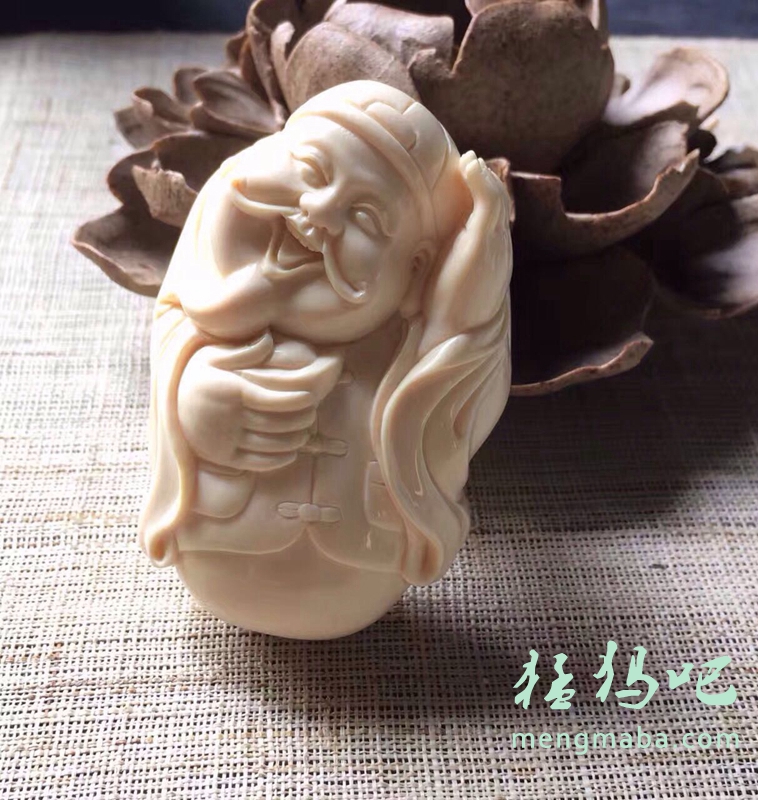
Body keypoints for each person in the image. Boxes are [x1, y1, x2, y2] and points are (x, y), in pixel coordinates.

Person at [139, 81, 512, 638]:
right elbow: (175, 333)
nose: (319, 212)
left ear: (415, 272)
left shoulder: (411, 348)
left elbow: (463, 364)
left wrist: (480, 257)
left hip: (361, 566)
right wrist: (195, 400)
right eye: (312, 170)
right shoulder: (209, 289)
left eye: (366, 217)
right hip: (220, 535)